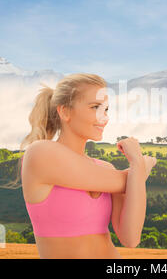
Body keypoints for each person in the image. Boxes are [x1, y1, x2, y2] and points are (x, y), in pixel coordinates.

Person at [18, 73, 157, 259]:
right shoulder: (40, 153)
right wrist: (141, 165)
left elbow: (130, 238)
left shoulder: (106, 168)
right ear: (65, 112)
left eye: (106, 110)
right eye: (95, 107)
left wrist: (138, 166)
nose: (105, 118)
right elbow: (128, 180)